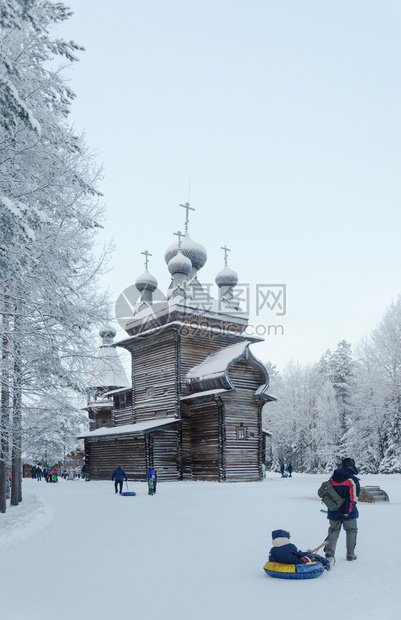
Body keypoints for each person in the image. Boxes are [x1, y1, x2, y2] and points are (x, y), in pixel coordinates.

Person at [324, 457, 360, 567]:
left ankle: (329, 552)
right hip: (349, 512)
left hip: (333, 510)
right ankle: (350, 553)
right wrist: (347, 512)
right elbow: (352, 498)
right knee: (351, 530)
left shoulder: (332, 478)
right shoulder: (352, 480)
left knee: (333, 531)